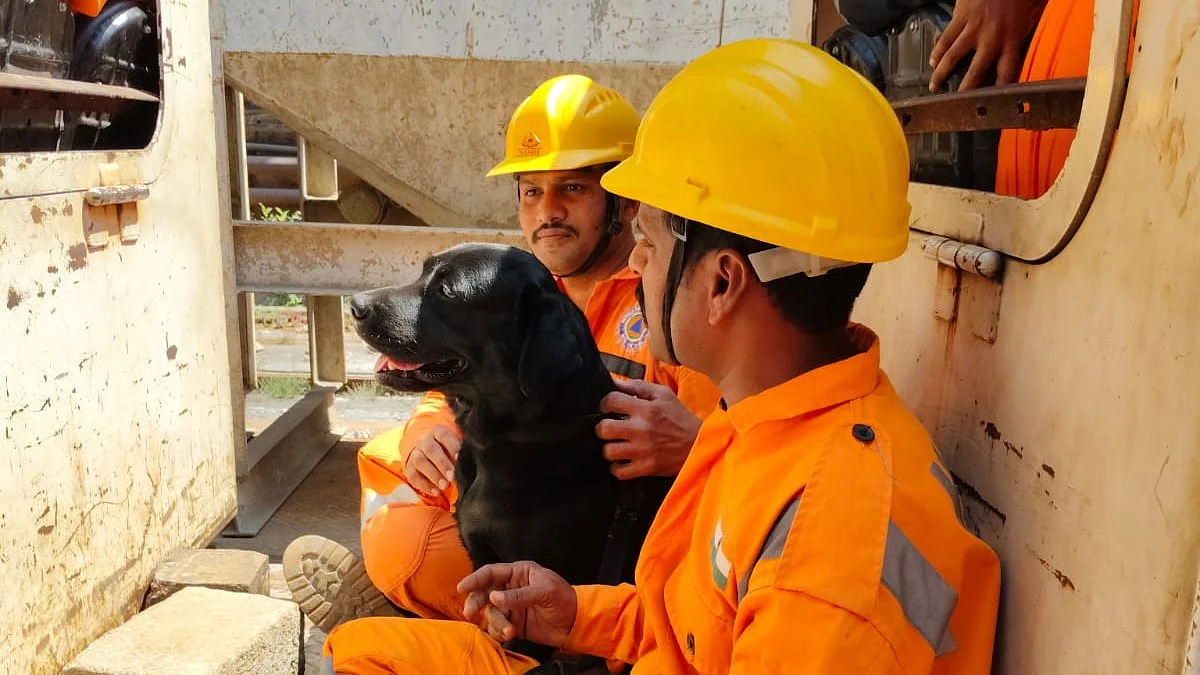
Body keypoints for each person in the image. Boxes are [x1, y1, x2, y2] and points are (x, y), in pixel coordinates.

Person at [316, 37, 1002, 675]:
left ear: (723, 282)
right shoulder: (758, 425)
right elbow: (693, 621)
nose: (633, 261)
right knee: (362, 648)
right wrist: (579, 612)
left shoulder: (825, 560)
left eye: (649, 242)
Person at [282, 74, 721, 632]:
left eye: (573, 189)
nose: (548, 212)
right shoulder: (515, 284)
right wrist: (426, 429)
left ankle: (463, 625)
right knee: (391, 461)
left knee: (410, 555)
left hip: (607, 549)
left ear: (624, 201)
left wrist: (692, 445)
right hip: (518, 509)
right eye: (532, 191)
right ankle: (458, 612)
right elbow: (459, 378)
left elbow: (739, 442)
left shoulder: (664, 301)